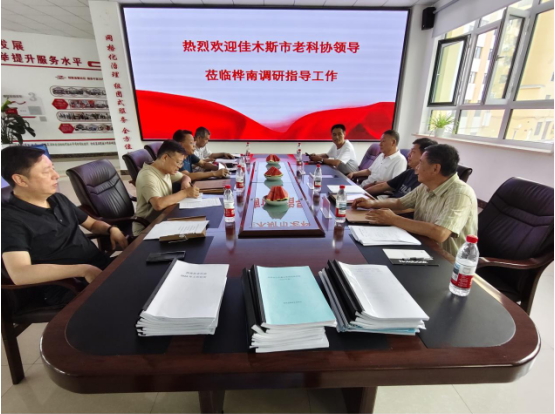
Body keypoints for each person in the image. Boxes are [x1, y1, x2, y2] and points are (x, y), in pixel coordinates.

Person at [1, 146, 128, 305]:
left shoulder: (57, 199)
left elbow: (92, 223)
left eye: (53, 168)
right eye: (46, 172)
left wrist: (111, 229)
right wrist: (83, 269)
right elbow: (20, 273)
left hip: (100, 267)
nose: (56, 175)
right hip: (71, 287)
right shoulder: (10, 220)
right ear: (20, 180)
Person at [352, 144, 477, 257]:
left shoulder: (460, 194)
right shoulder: (426, 186)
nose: (416, 168)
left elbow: (440, 233)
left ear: (435, 168)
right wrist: (372, 203)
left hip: (447, 260)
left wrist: (393, 219)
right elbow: (399, 203)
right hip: (421, 246)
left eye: (421, 163)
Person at [133, 140, 199, 236]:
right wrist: (185, 193)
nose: (179, 167)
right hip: (147, 229)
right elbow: (158, 204)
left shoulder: (164, 169)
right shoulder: (147, 175)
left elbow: (185, 177)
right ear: (165, 157)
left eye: (181, 163)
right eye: (178, 162)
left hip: (164, 219)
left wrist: (185, 182)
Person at [366, 138, 437, 199]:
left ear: (424, 156)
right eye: (410, 151)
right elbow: (383, 186)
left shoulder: (425, 182)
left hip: (392, 208)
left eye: (413, 152)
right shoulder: (408, 173)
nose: (409, 154)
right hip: (387, 205)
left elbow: (407, 206)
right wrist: (363, 193)